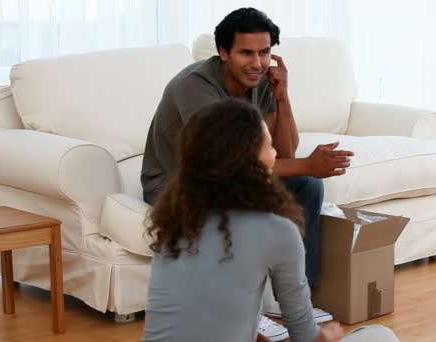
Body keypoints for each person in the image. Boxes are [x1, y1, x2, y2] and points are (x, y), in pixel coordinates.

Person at [141, 7, 351, 338]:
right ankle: (263, 311)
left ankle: (295, 297)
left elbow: (284, 152)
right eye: (246, 53)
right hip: (179, 184)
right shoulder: (194, 87)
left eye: (264, 52)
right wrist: (308, 164)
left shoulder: (260, 80)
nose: (257, 63)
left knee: (307, 185)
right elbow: (224, 165)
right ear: (223, 52)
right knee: (263, 200)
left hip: (231, 176)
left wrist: (282, 98)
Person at [143, 99, 345, 342]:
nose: (276, 154)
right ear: (247, 161)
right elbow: (305, 337)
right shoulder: (277, 230)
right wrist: (330, 334)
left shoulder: (175, 222)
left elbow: (209, 318)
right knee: (379, 335)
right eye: (269, 147)